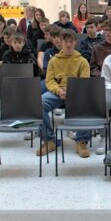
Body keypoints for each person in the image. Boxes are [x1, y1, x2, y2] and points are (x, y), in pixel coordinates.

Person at [38, 29, 92, 158]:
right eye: (66, 41)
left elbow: (84, 81)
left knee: (87, 103)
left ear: (75, 42)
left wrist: (71, 90)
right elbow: (49, 81)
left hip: (76, 93)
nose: (68, 44)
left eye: (71, 41)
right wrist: (59, 90)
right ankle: (49, 140)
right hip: (58, 92)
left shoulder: (82, 61)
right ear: (60, 42)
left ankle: (81, 141)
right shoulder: (53, 61)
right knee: (39, 103)